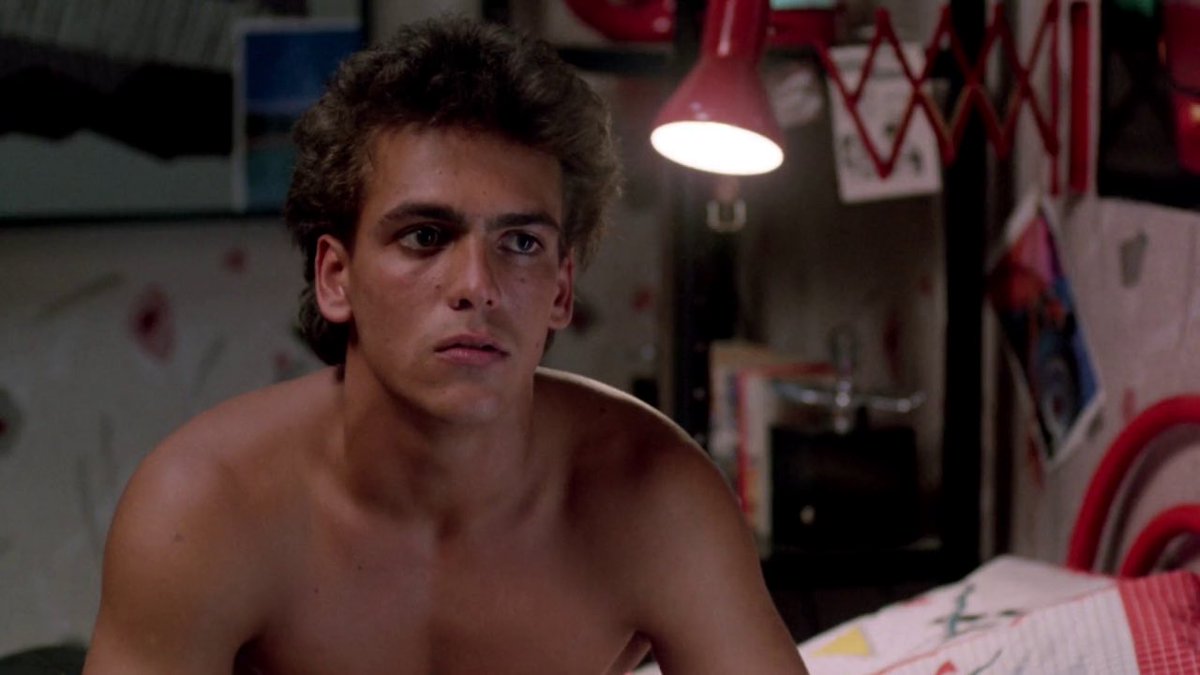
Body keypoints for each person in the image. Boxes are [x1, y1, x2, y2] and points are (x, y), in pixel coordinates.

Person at [83, 15, 808, 675]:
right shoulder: (205, 506)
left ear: (561, 292)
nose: (477, 286)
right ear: (336, 277)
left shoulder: (657, 496)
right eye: (425, 236)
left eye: (520, 243)